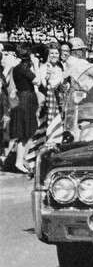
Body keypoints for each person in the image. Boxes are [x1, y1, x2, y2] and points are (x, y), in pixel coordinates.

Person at [9, 44, 38, 172]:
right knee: (26, 132)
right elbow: (37, 81)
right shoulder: (24, 68)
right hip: (27, 100)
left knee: (24, 132)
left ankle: (20, 160)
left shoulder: (16, 68)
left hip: (22, 98)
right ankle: (19, 161)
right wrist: (36, 65)